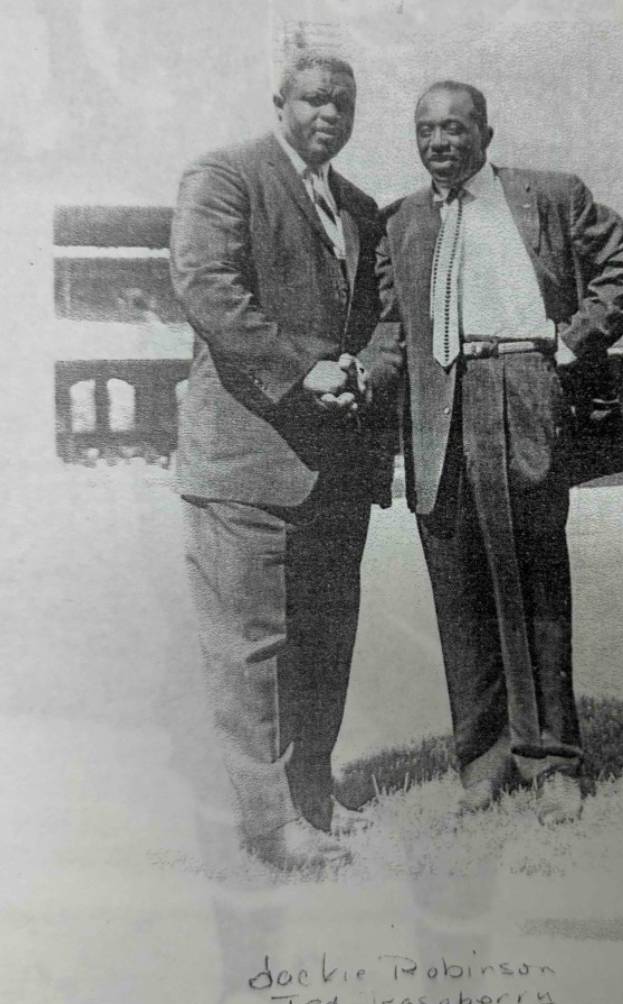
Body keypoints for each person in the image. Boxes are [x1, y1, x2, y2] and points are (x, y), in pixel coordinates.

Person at [374, 80, 623, 824]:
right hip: (438, 409)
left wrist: (574, 336)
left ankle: (551, 759)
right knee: (458, 591)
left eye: (456, 128)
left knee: (532, 586)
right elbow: (387, 325)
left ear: (485, 135)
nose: (440, 142)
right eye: (426, 129)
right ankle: (482, 759)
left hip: (522, 390)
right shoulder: (399, 220)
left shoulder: (548, 196)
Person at [169, 51, 402, 869]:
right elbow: (209, 290)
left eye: (343, 101)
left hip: (335, 463)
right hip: (246, 463)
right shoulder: (225, 176)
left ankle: (313, 795)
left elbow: (386, 318)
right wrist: (306, 370)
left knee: (325, 641)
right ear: (280, 103)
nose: (329, 112)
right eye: (313, 99)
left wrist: (362, 376)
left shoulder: (361, 207)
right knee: (254, 652)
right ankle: (271, 826)